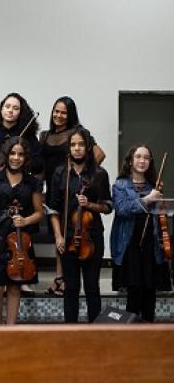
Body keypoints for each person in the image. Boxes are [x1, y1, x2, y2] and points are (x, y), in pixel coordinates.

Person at [40, 97, 106, 297]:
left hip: (75, 187)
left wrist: (84, 173)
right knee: (58, 236)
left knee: (71, 232)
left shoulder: (77, 133)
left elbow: (100, 154)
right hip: (55, 187)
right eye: (56, 111)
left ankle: (65, 281)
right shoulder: (45, 135)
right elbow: (42, 166)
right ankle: (60, 279)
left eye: (63, 112)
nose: (58, 116)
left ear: (71, 115)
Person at [48, 127, 112, 323]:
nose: (77, 148)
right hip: (67, 237)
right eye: (73, 145)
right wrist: (58, 236)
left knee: (92, 286)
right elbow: (53, 209)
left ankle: (95, 331)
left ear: (88, 147)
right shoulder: (60, 173)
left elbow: (108, 207)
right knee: (71, 286)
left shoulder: (99, 174)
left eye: (81, 145)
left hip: (92, 237)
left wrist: (90, 205)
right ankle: (71, 332)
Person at [0, 137, 44, 324]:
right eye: (13, 153)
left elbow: (39, 212)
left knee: (15, 286)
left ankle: (11, 329)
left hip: (20, 236)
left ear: (26, 157)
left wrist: (26, 220)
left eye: (21, 154)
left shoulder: (33, 182)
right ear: (6, 156)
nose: (16, 158)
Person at [110, 145, 171, 322]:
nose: (142, 160)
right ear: (130, 161)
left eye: (146, 158)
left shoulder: (154, 186)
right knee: (134, 291)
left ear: (150, 162)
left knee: (150, 290)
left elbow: (160, 214)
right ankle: (132, 334)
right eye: (138, 157)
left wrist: (162, 204)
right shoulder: (120, 185)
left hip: (151, 244)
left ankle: (149, 334)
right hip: (129, 244)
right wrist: (147, 199)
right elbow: (122, 209)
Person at [0, 92, 43, 176]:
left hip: (22, 184)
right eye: (7, 107)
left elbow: (39, 166)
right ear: (1, 110)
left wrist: (21, 164)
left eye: (15, 108)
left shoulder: (28, 136)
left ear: (21, 112)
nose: (10, 110)